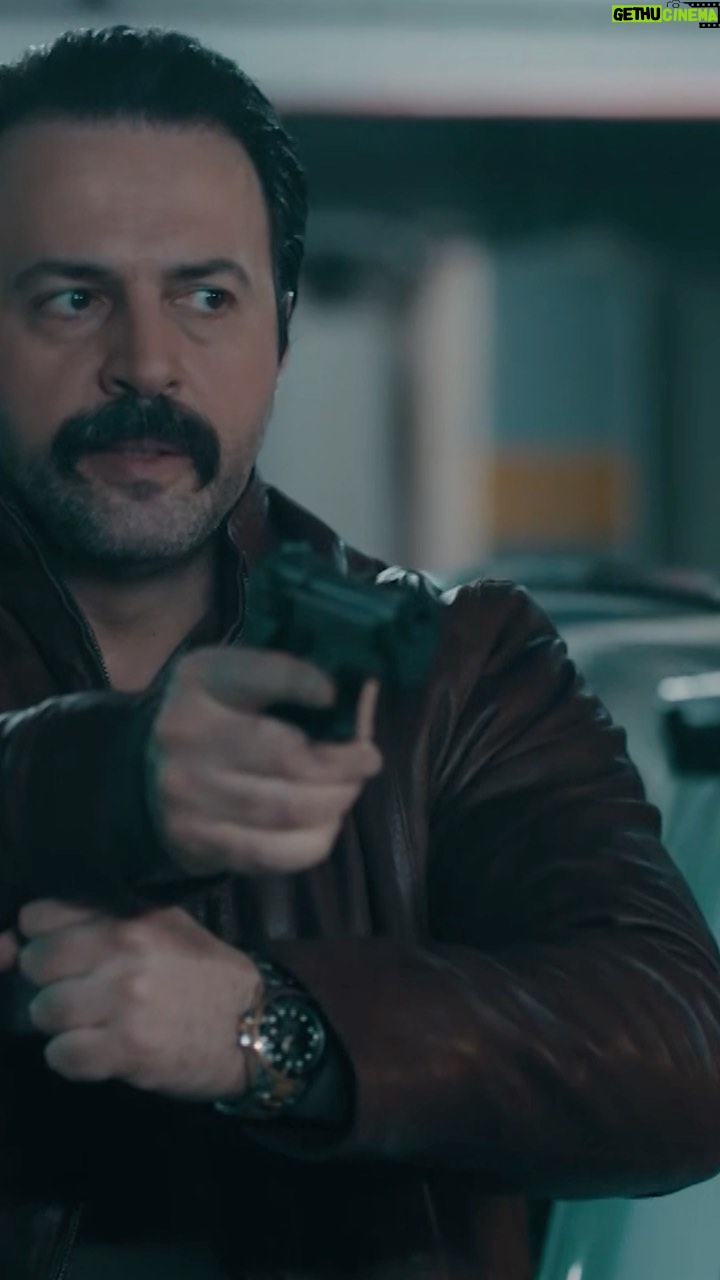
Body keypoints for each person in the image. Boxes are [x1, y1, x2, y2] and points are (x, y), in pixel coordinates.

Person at [0, 23, 717, 1280]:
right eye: (73, 297)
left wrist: (267, 1028)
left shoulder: (464, 669)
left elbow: (681, 1050)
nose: (146, 362)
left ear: (281, 332)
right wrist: (115, 783)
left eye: (206, 297)